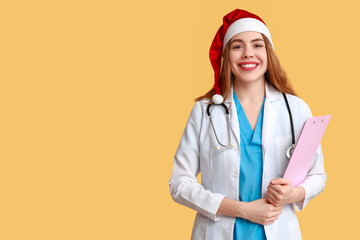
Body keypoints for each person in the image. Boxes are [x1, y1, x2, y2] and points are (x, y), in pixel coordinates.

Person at [168, 9, 326, 240]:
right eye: (237, 46)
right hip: (217, 232)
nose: (248, 54)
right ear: (226, 55)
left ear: (268, 52)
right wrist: (244, 210)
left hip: (279, 231)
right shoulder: (205, 111)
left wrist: (293, 194)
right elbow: (179, 184)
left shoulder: (295, 108)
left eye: (257, 45)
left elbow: (318, 175)